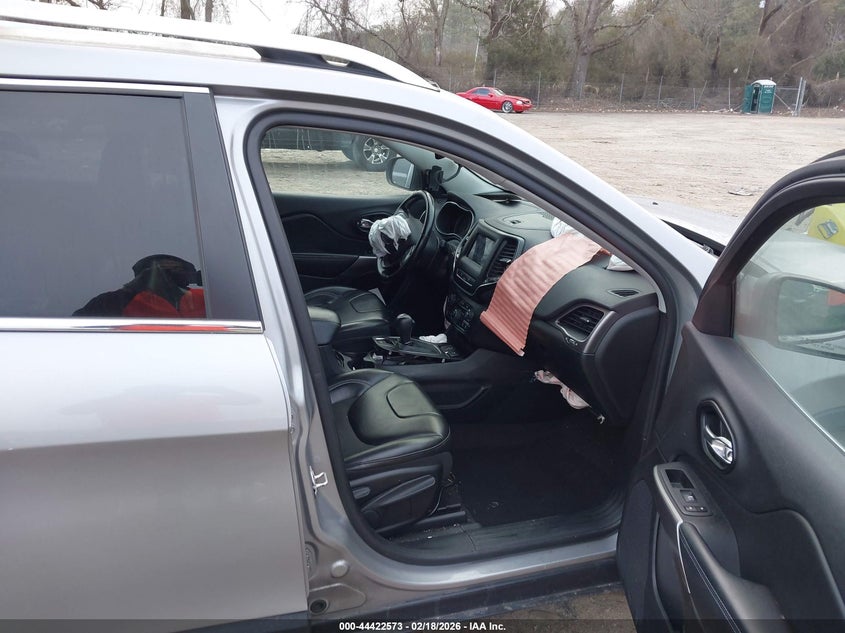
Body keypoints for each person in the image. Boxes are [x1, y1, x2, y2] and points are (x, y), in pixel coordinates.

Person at [74, 254, 205, 318]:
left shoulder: (206, 300)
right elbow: (77, 334)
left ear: (188, 278)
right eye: (156, 272)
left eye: (174, 271)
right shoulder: (113, 301)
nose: (162, 278)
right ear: (142, 277)